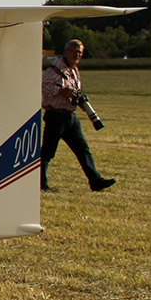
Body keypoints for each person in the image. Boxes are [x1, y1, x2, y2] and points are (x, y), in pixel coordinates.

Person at [40, 38, 115, 192]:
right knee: (48, 152)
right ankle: (40, 183)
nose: (77, 55)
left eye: (80, 52)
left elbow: (74, 92)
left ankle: (95, 181)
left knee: (83, 149)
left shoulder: (73, 69)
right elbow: (42, 84)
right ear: (66, 51)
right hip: (56, 115)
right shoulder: (56, 68)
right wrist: (61, 91)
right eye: (74, 51)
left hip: (70, 116)